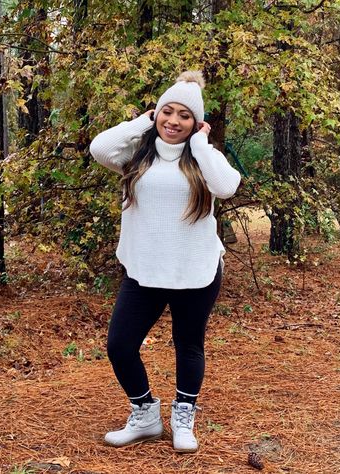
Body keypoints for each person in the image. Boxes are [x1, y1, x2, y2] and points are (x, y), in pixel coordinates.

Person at [89, 71, 241, 453]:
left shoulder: (203, 160)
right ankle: (145, 415)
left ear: (196, 122)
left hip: (195, 270)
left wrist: (203, 144)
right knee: (120, 345)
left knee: (188, 345)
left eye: (184, 115)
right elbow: (99, 148)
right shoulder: (136, 156)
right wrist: (143, 120)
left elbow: (226, 187)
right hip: (144, 271)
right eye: (167, 112)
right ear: (157, 113)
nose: (173, 121)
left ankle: (183, 415)